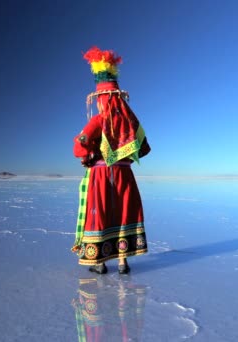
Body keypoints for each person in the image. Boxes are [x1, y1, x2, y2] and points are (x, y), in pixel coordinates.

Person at [71, 46, 151, 274]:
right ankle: (123, 262)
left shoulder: (99, 120)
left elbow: (80, 144)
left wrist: (89, 157)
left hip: (101, 174)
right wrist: (124, 158)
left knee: (101, 212)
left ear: (101, 98)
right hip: (125, 175)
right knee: (124, 212)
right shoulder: (131, 122)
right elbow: (144, 149)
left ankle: (99, 262)